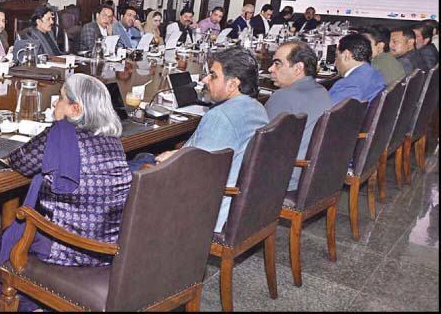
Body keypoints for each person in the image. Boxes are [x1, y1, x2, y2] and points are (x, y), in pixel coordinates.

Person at [0, 73, 131, 312]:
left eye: (61, 98)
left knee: (14, 233)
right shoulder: (113, 140)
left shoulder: (61, 133)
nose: (55, 102)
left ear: (75, 109)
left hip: (66, 248)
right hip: (107, 249)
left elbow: (21, 161)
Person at [149, 47, 268, 232]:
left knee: (133, 168)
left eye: (213, 75)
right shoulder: (258, 108)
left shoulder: (221, 117)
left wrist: (174, 159)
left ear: (232, 84)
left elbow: (199, 173)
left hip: (210, 211)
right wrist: (180, 153)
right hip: (245, 205)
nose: (205, 80)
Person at [265, 41, 332, 191]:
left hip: (287, 180)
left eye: (277, 64)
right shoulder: (322, 91)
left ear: (298, 68)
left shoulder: (283, 96)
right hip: (316, 174)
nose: (270, 69)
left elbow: (259, 147)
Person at [328, 33, 386, 105]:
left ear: (346, 55)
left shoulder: (345, 86)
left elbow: (325, 111)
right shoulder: (377, 75)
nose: (335, 63)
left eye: (337, 56)